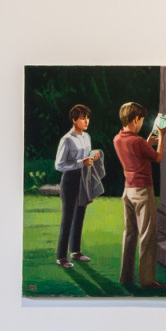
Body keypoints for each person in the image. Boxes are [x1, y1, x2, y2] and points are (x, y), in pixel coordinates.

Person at [113, 101, 165, 290]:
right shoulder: (138, 142)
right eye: (141, 120)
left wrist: (147, 142)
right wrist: (162, 136)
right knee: (147, 235)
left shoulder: (118, 139)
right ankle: (147, 279)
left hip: (128, 191)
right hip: (143, 190)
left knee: (129, 234)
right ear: (136, 119)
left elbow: (136, 150)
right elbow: (157, 157)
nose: (142, 123)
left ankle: (125, 276)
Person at [51, 104, 102, 269]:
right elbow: (59, 165)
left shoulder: (87, 137)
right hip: (70, 180)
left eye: (88, 118)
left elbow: (86, 158)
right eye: (82, 118)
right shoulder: (67, 139)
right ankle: (61, 256)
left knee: (80, 214)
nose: (86, 121)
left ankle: (75, 251)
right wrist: (81, 162)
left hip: (83, 178)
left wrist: (93, 155)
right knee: (68, 217)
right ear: (74, 120)